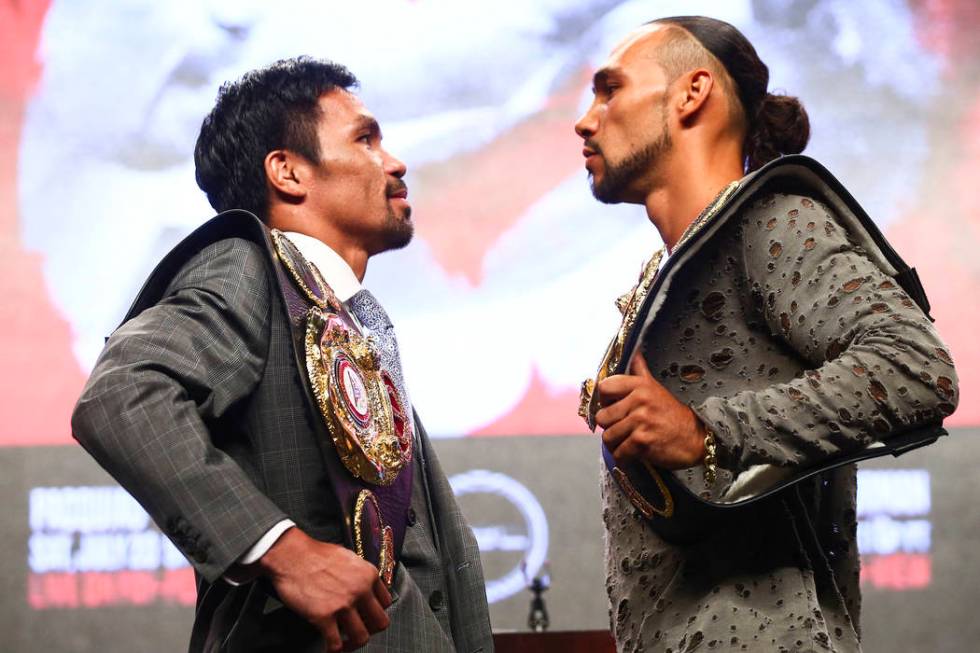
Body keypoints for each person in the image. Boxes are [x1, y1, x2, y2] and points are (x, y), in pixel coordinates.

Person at [71, 57, 492, 653]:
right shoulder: (248, 269)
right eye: (365, 139)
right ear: (288, 172)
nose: (395, 162)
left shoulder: (336, 317)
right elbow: (120, 396)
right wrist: (282, 549)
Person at [574, 16, 958, 653]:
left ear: (692, 93)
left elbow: (916, 366)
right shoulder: (669, 270)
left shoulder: (773, 222)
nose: (586, 119)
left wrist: (707, 432)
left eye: (609, 89)